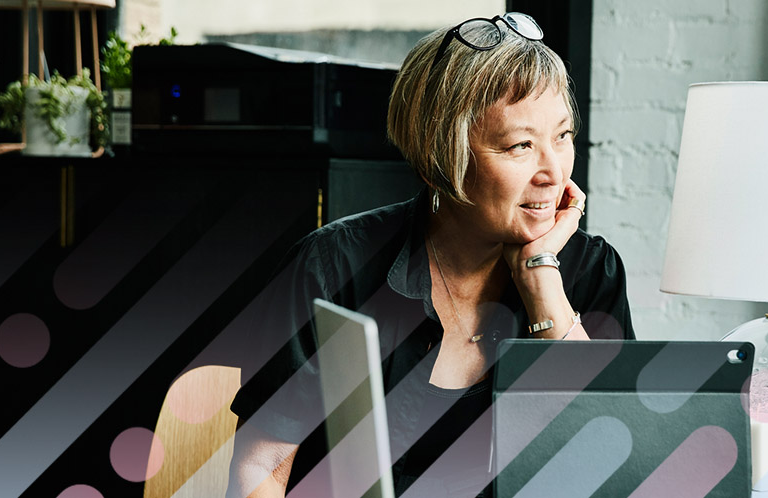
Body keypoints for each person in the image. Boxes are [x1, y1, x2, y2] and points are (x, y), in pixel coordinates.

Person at [226, 12, 634, 498]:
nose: (553, 170)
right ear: (445, 155)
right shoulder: (331, 268)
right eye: (520, 145)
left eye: (562, 136)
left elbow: (612, 461)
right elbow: (261, 470)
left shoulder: (591, 271)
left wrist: (542, 278)